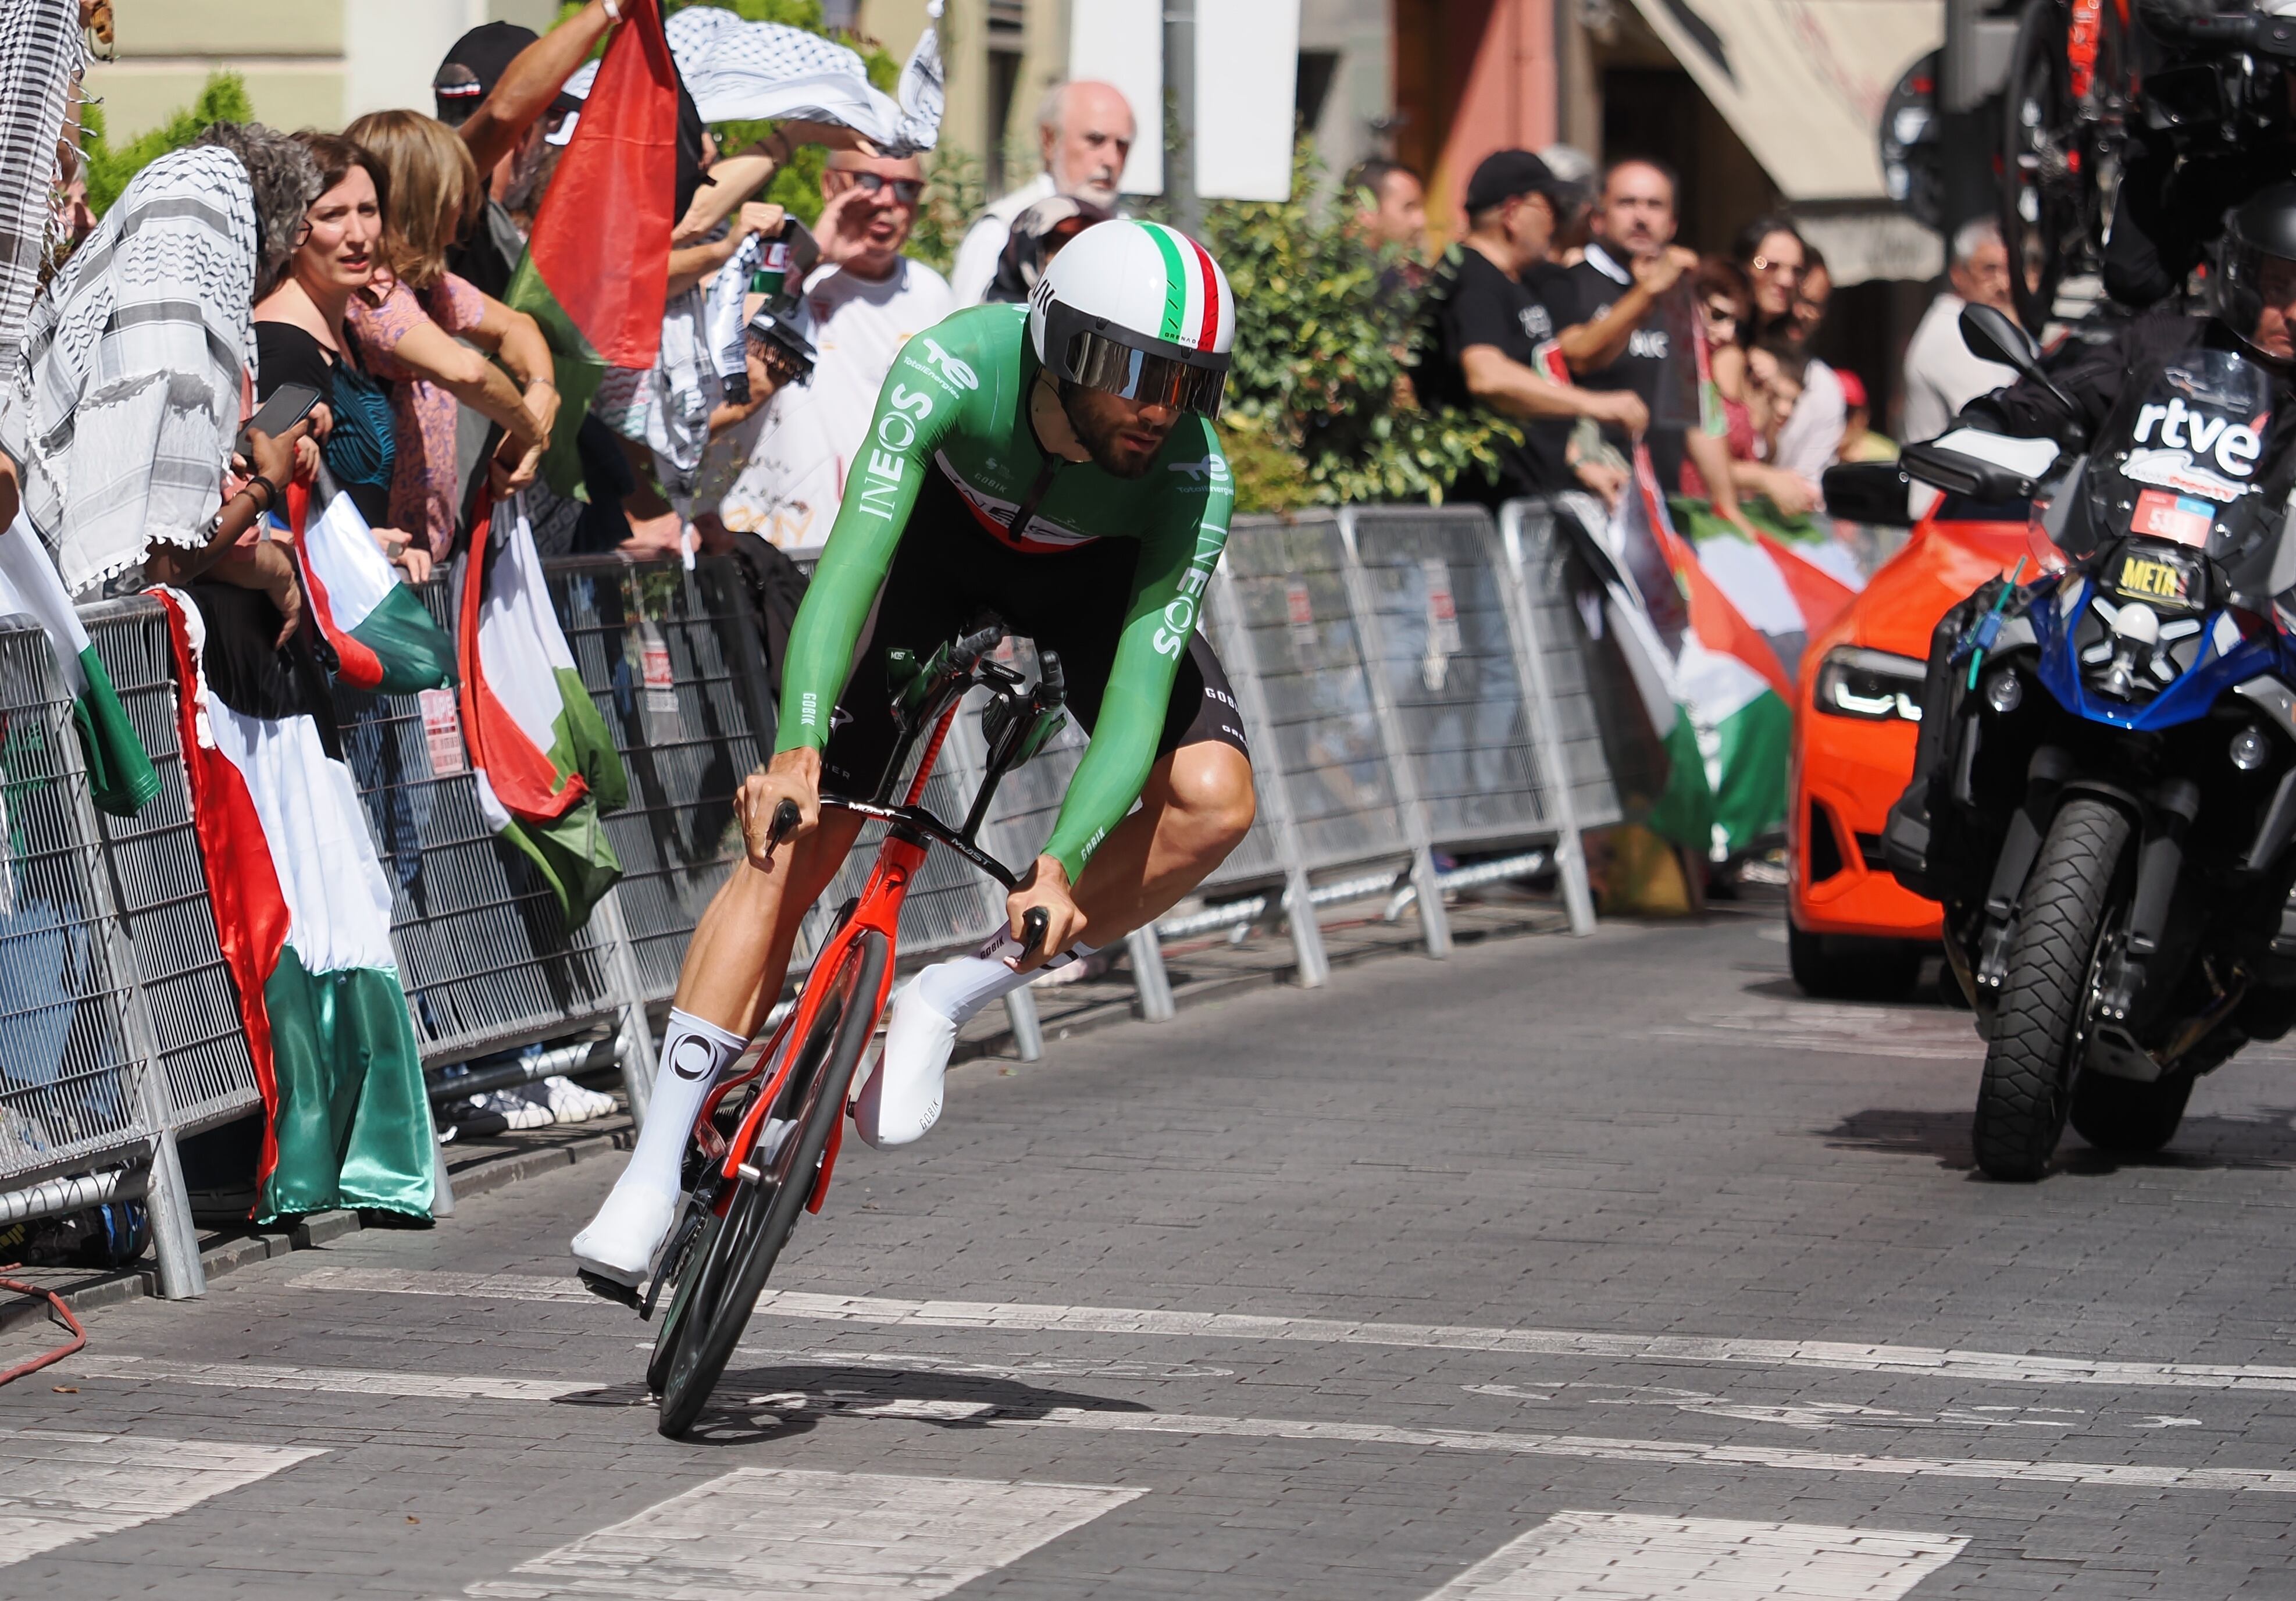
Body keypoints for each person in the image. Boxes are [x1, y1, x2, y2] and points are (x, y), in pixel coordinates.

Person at [572, 220, 1259, 1289]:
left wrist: (1062, 860)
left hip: (1094, 584)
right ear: (1064, 345)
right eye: (1135, 374)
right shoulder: (953, 363)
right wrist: (795, 749)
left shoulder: (1188, 476)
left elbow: (1132, 694)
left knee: (1215, 797)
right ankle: (655, 1165)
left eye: (1188, 382)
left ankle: (954, 990)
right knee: (794, 837)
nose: (1161, 407)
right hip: (942, 555)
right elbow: (851, 564)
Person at [253, 134, 542, 546]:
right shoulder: (283, 347)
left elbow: (519, 326)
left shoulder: (349, 329)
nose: (358, 234)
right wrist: (365, 548)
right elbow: (263, 513)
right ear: (289, 227)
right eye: (333, 215)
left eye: (368, 211)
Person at [702, 147, 954, 555]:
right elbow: (725, 352)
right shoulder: (779, 267)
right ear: (830, 184)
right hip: (764, 544)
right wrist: (813, 256)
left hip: (875, 547)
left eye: (907, 188)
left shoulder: (931, 293)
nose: (887, 202)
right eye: (868, 183)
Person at [341, 110, 558, 571]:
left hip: (423, 560)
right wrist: (531, 431)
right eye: (457, 192)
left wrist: (542, 389)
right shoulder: (372, 292)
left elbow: (517, 328)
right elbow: (467, 371)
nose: (465, 207)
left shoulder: (429, 284)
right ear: (423, 200)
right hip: (383, 569)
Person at [1408, 150, 1648, 511]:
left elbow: (1529, 395)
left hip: (1526, 503)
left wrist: (1579, 462)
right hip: (1478, 514)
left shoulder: (1516, 282)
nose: (1556, 221)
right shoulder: (1471, 277)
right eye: (1549, 207)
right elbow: (1487, 376)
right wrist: (1597, 404)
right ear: (1512, 213)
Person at [1556, 158, 1745, 519]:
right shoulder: (1568, 282)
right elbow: (1576, 356)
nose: (1641, 217)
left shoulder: (1678, 297)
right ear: (1598, 217)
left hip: (1660, 509)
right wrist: (1648, 291)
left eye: (1654, 206)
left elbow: (1694, 412)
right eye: (1627, 203)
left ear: (1672, 224)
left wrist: (1728, 508)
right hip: (1588, 504)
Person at [433, 9, 609, 296]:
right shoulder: (441, 197)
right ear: (523, 130)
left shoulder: (428, 188)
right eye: (552, 117)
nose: (552, 136)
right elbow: (501, 115)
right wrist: (609, 9)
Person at [950, 80, 1133, 305]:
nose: (1112, 160)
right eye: (1095, 140)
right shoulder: (1001, 231)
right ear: (1049, 140)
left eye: (1122, 145)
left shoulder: (1132, 237)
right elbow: (965, 333)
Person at [1900, 217, 2019, 444]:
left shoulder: (1975, 324)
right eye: (1989, 270)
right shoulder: (1953, 333)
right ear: (1958, 275)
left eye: (2009, 269)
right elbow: (2003, 419)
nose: (2004, 284)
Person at [1766, 246, 1845, 483]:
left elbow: (1807, 483)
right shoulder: (1729, 358)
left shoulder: (1825, 389)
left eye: (1813, 305)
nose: (1800, 313)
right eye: (1795, 299)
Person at [983, 194, 1111, 305]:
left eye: (1090, 248)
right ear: (1030, 253)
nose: (1077, 261)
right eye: (1060, 247)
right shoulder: (996, 320)